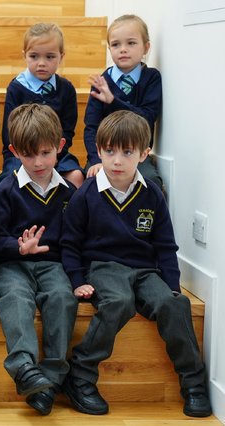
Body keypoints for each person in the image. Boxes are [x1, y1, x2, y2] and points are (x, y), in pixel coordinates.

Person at [60, 110, 212, 418]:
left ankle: (193, 384)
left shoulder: (152, 193)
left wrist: (171, 287)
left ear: (143, 154)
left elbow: (166, 246)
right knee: (119, 302)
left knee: (175, 305)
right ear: (99, 150)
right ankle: (81, 375)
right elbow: (70, 244)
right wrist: (77, 280)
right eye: (110, 151)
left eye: (127, 152)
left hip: (145, 270)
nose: (117, 160)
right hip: (103, 267)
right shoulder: (86, 194)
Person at [0, 103, 78, 415]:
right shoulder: (4, 190)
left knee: (61, 298)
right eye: (29, 155)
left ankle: (51, 378)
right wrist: (18, 248)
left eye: (45, 153)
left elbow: (75, 240)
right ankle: (25, 370)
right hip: (12, 265)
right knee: (15, 298)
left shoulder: (69, 192)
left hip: (54, 264)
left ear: (60, 147)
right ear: (14, 151)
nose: (38, 162)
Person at [83, 14, 163, 189]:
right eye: (116, 44)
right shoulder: (102, 82)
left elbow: (147, 118)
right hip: (106, 154)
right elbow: (91, 127)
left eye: (131, 43)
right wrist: (96, 160)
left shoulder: (151, 78)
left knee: (151, 182)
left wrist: (113, 101)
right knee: (89, 181)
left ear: (146, 47)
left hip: (136, 155)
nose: (123, 49)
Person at [0, 23, 83, 187]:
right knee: (12, 180)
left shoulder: (66, 89)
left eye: (50, 57)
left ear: (61, 56)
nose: (42, 63)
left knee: (76, 176)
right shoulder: (17, 88)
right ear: (25, 55)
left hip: (56, 153)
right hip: (22, 154)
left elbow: (68, 131)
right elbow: (8, 133)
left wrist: (53, 155)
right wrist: (27, 155)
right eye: (34, 56)